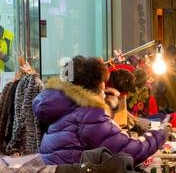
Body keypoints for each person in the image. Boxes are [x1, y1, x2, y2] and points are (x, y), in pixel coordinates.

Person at [33, 56, 168, 166]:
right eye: (102, 83)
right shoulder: (87, 114)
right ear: (94, 85)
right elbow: (129, 152)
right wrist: (160, 134)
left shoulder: (65, 107)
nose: (104, 87)